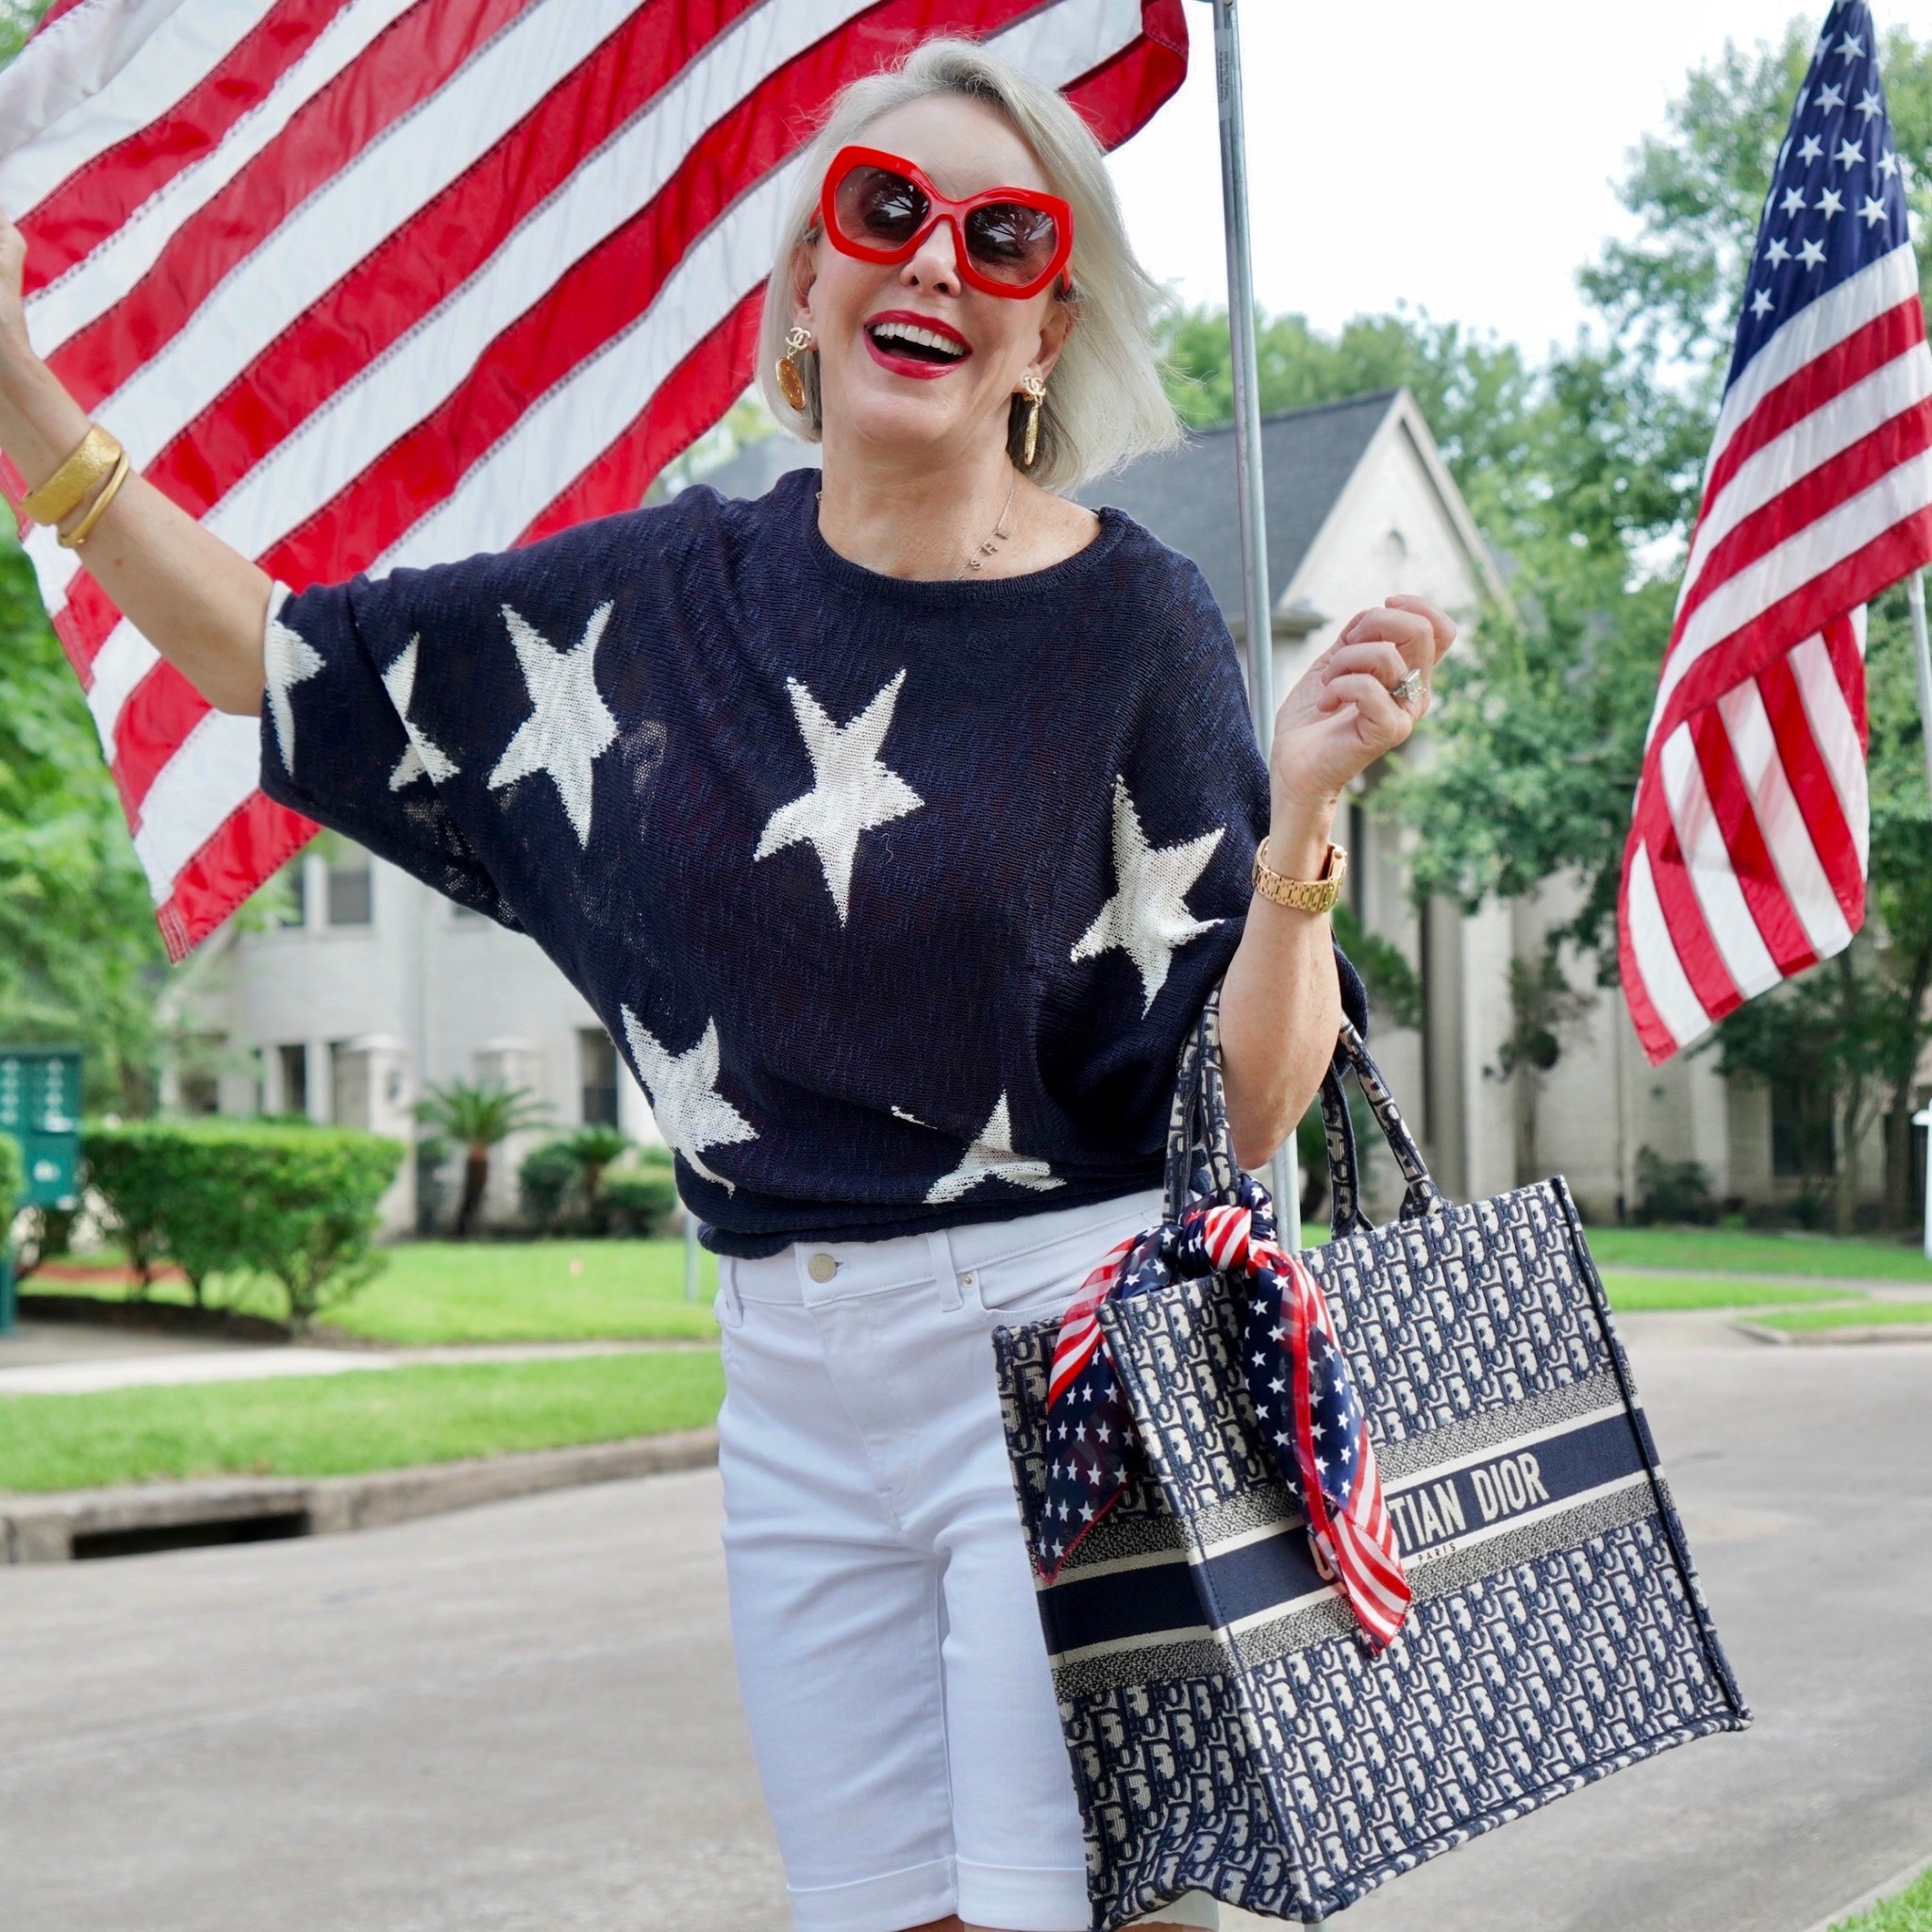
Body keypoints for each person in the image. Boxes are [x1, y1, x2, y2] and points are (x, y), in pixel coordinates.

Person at [0, 36, 1451, 1932]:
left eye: (999, 239)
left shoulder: (1135, 618)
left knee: (1081, 1913)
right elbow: (271, 661)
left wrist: (1304, 830)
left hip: (1070, 1342)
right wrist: (32, 402)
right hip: (790, 1376)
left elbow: (1251, 1112)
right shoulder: (655, 599)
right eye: (885, 210)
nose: (932, 258)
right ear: (804, 290)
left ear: (1041, 338)